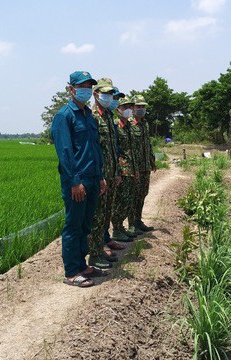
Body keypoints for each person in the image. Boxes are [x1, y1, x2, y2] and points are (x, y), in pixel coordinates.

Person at [50, 71, 107, 288]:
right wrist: (75, 181)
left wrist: (100, 176)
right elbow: (65, 153)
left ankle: (82, 265)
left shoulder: (88, 116)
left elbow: (95, 149)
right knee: (73, 225)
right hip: (77, 181)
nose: (86, 90)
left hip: (92, 178)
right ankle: (72, 271)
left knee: (86, 224)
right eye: (81, 86)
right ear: (71, 89)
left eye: (89, 86)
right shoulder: (64, 116)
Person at [87, 78, 123, 269]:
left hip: (111, 173)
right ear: (96, 94)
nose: (108, 97)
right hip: (99, 175)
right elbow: (93, 149)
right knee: (97, 215)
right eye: (105, 94)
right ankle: (94, 254)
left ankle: (100, 249)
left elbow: (113, 148)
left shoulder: (109, 116)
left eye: (111, 94)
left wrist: (116, 172)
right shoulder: (92, 116)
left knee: (106, 213)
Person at [111, 95, 139, 241]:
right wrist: (117, 172)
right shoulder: (115, 126)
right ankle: (116, 229)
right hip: (122, 170)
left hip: (131, 169)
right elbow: (114, 150)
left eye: (130, 107)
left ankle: (121, 227)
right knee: (120, 201)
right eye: (124, 107)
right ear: (118, 109)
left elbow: (132, 150)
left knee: (128, 201)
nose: (128, 110)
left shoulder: (129, 127)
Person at [128, 95, 156, 234]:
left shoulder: (145, 124)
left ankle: (138, 221)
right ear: (132, 107)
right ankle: (132, 224)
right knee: (133, 196)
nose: (141, 109)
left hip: (145, 167)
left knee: (142, 194)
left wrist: (152, 160)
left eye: (143, 107)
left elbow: (148, 144)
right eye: (139, 106)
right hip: (135, 168)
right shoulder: (129, 124)